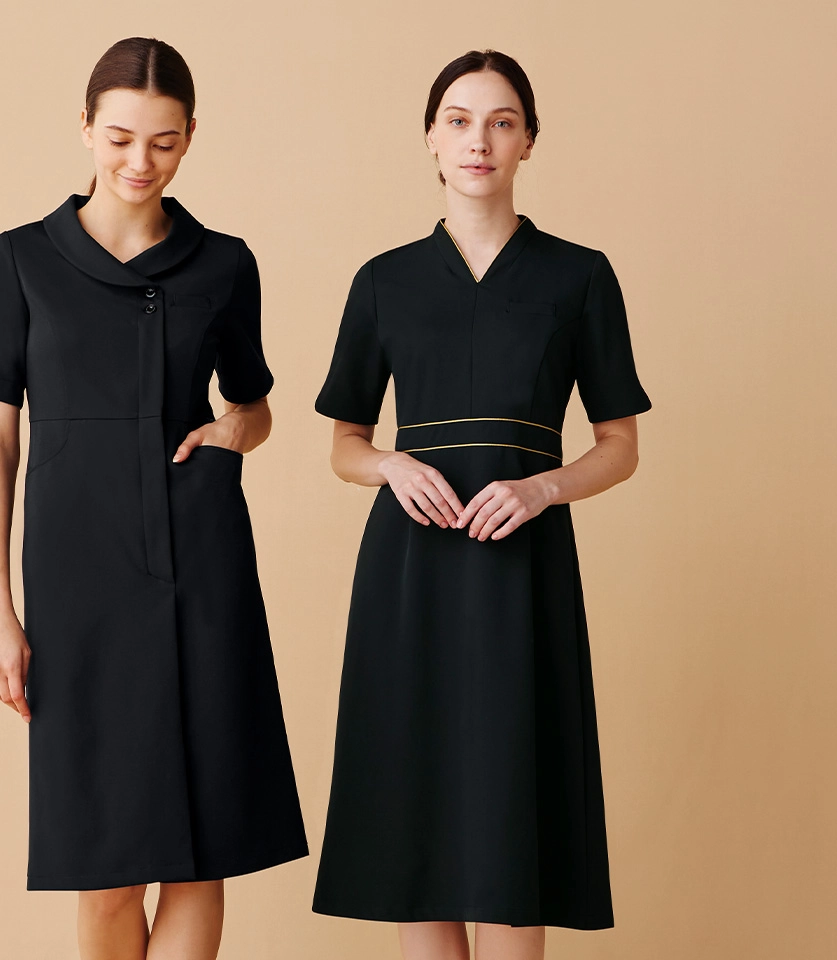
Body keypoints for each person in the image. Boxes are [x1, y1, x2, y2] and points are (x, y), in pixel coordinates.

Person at [312, 49, 652, 960]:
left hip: (521, 573)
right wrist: (390, 466)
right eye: (459, 121)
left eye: (502, 122)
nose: (480, 141)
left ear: (529, 141)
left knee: (511, 813)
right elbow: (344, 444)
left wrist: (543, 487)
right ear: (430, 138)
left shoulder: (579, 276)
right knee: (415, 813)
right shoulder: (383, 280)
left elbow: (620, 445)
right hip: (410, 575)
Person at [0, 37, 308, 960]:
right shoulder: (19, 261)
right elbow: (1, 439)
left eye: (165, 143)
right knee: (104, 866)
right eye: (121, 139)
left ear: (191, 137)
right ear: (85, 127)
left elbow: (254, 407)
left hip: (202, 566)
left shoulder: (225, 263)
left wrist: (230, 434)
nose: (141, 162)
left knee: (202, 856)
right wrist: (1, 612)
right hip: (78, 582)